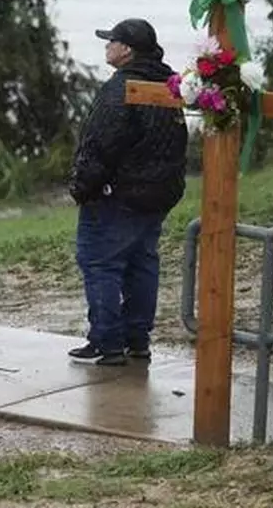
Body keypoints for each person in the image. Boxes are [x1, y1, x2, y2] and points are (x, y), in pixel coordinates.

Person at [66, 18, 189, 366]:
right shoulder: (170, 83)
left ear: (126, 49)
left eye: (112, 41)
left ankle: (108, 343)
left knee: (99, 263)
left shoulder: (121, 87)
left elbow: (100, 143)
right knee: (141, 264)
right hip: (159, 194)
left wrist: (81, 185)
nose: (107, 46)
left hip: (116, 196)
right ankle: (137, 341)